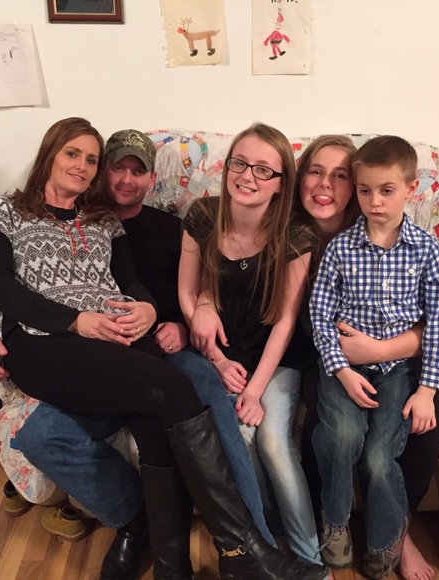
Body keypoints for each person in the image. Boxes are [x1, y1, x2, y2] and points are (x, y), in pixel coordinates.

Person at [0, 117, 330, 580]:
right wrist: (6, 335)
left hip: (137, 344)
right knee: (147, 400)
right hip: (76, 346)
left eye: (93, 159)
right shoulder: (7, 210)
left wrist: (156, 312)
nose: (94, 170)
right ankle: (222, 547)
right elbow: (0, 286)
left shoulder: (124, 224)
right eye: (79, 156)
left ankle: (191, 558)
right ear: (52, 154)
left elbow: (143, 285)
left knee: (180, 402)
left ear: (150, 177)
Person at [294, 134, 439, 580]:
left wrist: (427, 389)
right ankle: (335, 520)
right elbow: (320, 314)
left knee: (381, 456)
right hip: (342, 368)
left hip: (399, 371)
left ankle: (387, 541)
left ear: (410, 189)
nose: (375, 201)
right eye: (365, 191)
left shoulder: (425, 250)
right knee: (341, 436)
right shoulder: (341, 248)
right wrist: (340, 369)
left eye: (387, 190)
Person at [177, 122, 322, 565]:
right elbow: (187, 294)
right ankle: (269, 542)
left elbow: (286, 321)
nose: (247, 176)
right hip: (225, 353)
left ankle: (310, 559)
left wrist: (256, 390)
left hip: (277, 359)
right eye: (240, 163)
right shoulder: (203, 216)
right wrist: (217, 360)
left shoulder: (297, 236)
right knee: (240, 436)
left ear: (281, 183)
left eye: (263, 169)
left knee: (274, 441)